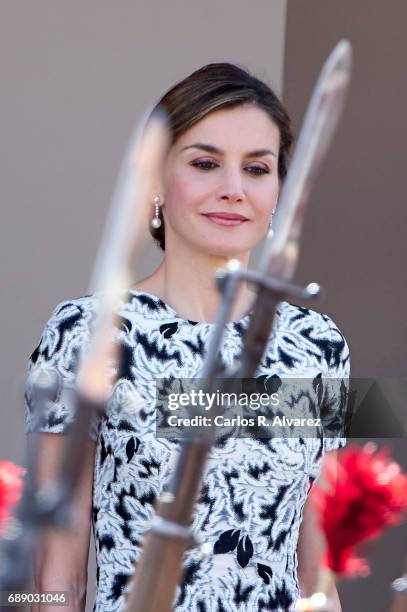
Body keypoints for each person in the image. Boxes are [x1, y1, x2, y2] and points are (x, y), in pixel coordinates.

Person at [25, 63, 350, 612]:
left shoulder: (315, 344)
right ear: (155, 180)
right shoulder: (90, 331)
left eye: (256, 168)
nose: (232, 189)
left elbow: (319, 572)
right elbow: (54, 569)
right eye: (205, 163)